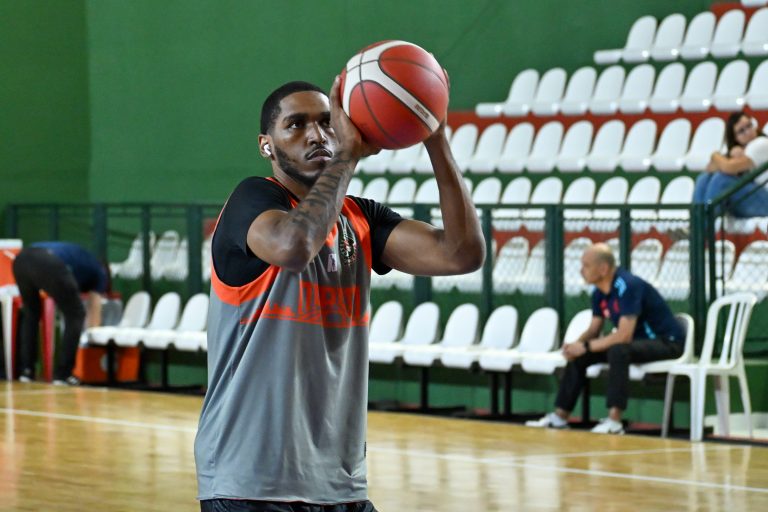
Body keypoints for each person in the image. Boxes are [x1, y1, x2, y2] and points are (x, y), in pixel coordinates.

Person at [194, 77, 484, 512]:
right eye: (296, 124)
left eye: (327, 123)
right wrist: (346, 155)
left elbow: (460, 254)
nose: (317, 135)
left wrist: (435, 137)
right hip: (250, 481)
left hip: (338, 482)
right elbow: (293, 246)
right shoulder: (252, 199)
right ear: (266, 145)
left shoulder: (361, 218)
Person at [526, 243, 685, 434]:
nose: (581, 270)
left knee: (618, 350)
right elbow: (594, 329)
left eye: (586, 265)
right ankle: (560, 417)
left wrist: (586, 346)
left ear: (603, 268)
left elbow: (624, 335)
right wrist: (576, 346)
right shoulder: (599, 293)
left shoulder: (627, 286)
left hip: (667, 342)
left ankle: (614, 421)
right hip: (637, 343)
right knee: (581, 355)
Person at [12, 241, 108, 385]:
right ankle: (63, 375)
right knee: (76, 314)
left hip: (21, 260)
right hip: (48, 261)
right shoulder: (100, 273)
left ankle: (26, 371)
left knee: (31, 313)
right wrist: (92, 338)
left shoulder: (81, 260)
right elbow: (94, 314)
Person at [693, 111, 768, 217]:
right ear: (735, 138)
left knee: (721, 179)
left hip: (765, 199)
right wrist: (729, 157)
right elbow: (710, 168)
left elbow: (728, 167)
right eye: (741, 131)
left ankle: (704, 223)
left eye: (749, 125)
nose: (748, 132)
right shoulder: (740, 150)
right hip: (752, 196)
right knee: (704, 178)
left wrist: (714, 155)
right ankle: (697, 222)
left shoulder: (761, 143)